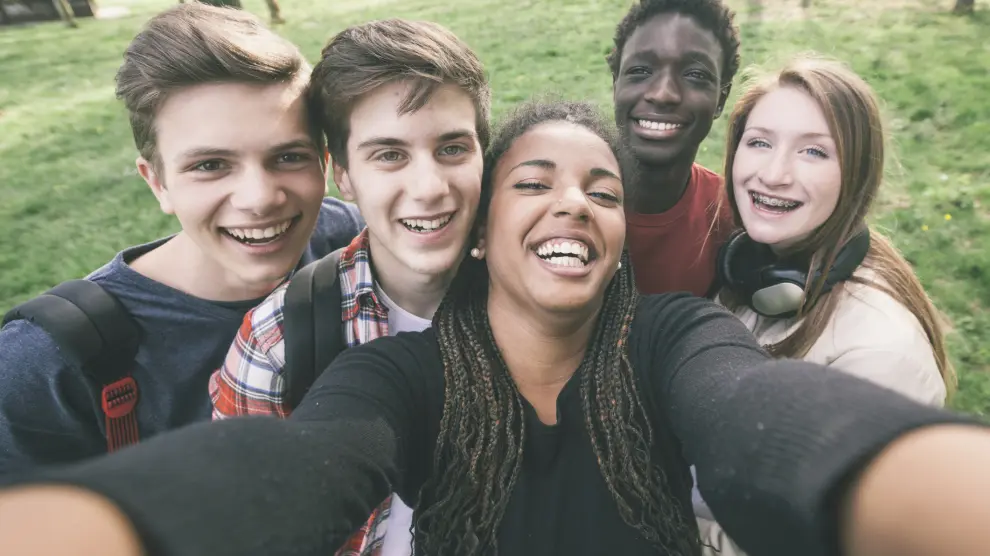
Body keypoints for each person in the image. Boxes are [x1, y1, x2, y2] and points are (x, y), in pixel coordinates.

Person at [0, 100, 986, 556]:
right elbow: (299, 466)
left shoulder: (674, 336)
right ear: (478, 237)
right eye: (535, 183)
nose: (576, 205)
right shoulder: (399, 377)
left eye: (601, 190)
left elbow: (762, 416)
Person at [0, 3, 363, 474]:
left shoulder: (349, 238)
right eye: (210, 165)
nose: (259, 198)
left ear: (324, 161)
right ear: (157, 183)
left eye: (289, 156)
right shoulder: (46, 364)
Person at [208, 18, 490, 555]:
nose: (429, 188)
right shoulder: (278, 344)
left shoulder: (543, 294)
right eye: (389, 154)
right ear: (343, 175)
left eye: (452, 148)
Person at [693, 55, 958, 555]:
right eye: (759, 142)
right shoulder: (750, 273)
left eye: (814, 152)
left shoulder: (880, 356)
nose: (773, 174)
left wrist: (649, 522)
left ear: (856, 175)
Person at [607, 0, 740, 296]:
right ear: (615, 84)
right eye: (640, 70)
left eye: (694, 75)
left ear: (721, 98)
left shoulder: (732, 219)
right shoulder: (557, 198)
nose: (663, 93)